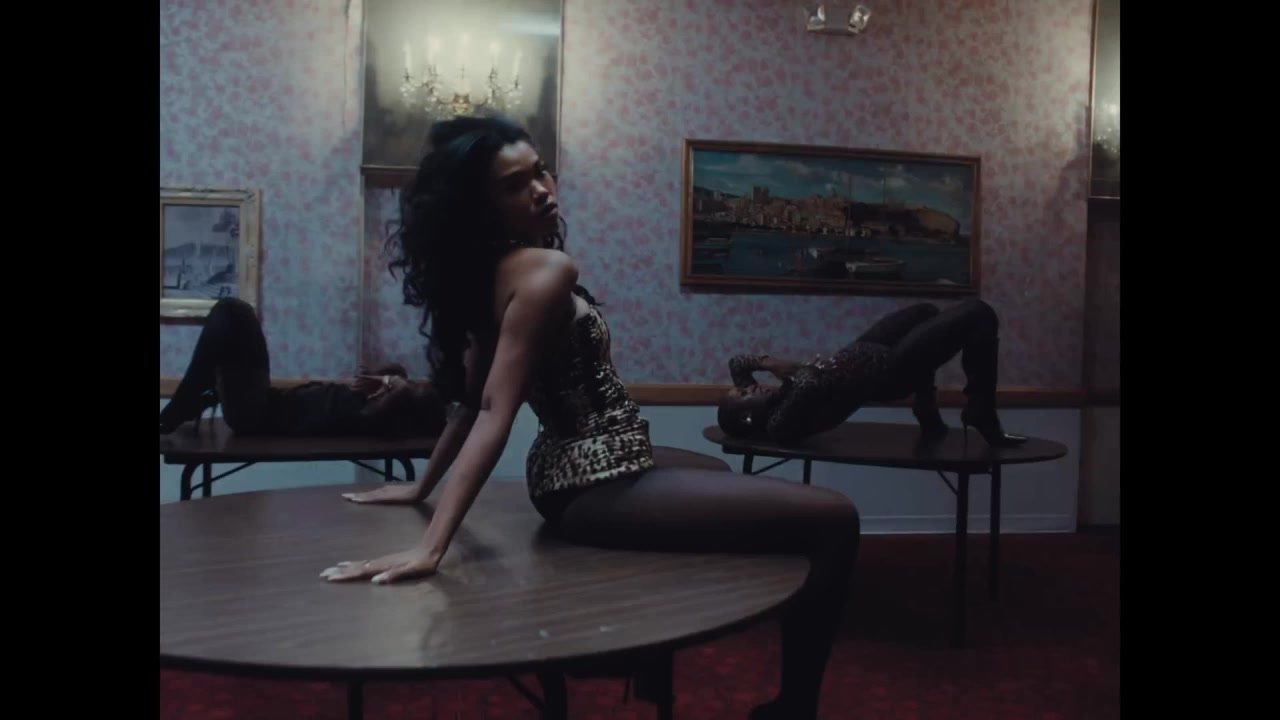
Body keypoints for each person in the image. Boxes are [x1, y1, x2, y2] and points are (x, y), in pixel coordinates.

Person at [318, 115, 861, 720]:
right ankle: (793, 709)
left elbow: (469, 403)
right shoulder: (547, 271)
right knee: (834, 519)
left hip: (583, 468)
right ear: (480, 207)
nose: (541, 190)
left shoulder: (494, 274)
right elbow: (493, 408)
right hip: (592, 483)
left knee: (711, 471)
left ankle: (642, 647)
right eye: (514, 185)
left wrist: (423, 487)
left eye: (540, 171)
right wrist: (431, 546)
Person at [717, 299, 1028, 447]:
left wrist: (767, 362)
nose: (749, 387)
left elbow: (737, 364)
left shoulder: (764, 404)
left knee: (926, 311)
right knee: (980, 313)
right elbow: (809, 385)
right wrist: (793, 370)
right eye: (743, 394)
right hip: (886, 375)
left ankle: (926, 407)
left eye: (742, 387)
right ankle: (981, 412)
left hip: (864, 348)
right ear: (747, 417)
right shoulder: (778, 424)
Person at [159, 297, 447, 438]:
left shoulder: (373, 416)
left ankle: (184, 404)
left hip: (257, 415)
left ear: (408, 408)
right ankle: (193, 399)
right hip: (264, 401)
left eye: (414, 391)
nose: (415, 384)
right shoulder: (377, 399)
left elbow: (391, 401)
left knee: (231, 312)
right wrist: (391, 376)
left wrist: (395, 386)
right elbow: (396, 378)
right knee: (232, 313)